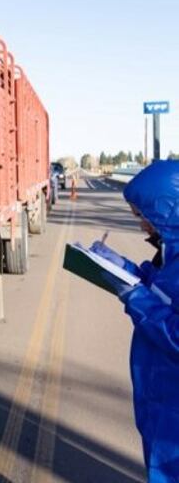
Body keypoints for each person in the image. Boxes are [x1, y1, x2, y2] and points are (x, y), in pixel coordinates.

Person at [89, 160, 179, 483]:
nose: (141, 224)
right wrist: (121, 266)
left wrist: (135, 297)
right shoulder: (171, 254)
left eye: (144, 216)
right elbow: (160, 289)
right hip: (160, 400)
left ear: (166, 212)